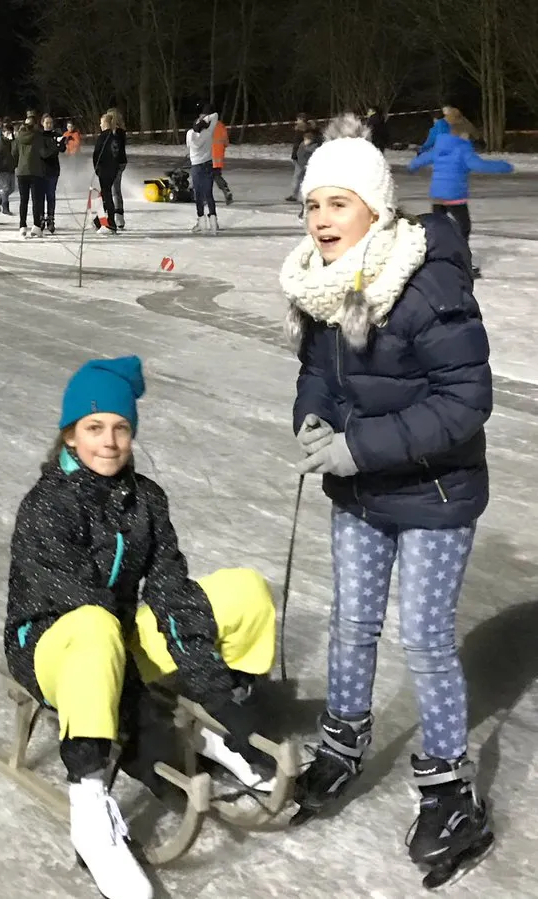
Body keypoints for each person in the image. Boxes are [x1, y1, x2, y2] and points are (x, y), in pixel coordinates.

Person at [282, 114, 494, 881]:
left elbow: (465, 399)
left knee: (426, 639)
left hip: (435, 493)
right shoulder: (321, 281)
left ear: (373, 207)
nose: (320, 220)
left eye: (336, 204)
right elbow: (317, 369)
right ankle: (340, 746)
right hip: (360, 489)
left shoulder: (423, 278)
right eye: (312, 205)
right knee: (351, 622)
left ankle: (448, 792)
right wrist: (310, 415)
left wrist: (357, 444)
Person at [6, 355, 279, 899]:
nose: (108, 441)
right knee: (93, 626)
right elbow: (81, 607)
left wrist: (219, 697)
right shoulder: (46, 506)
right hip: (52, 646)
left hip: (120, 634)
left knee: (242, 591)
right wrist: (144, 729)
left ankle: (218, 728)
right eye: (94, 427)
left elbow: (172, 590)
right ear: (70, 435)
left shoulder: (146, 499)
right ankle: (89, 813)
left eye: (120, 427)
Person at [407, 119, 512, 279]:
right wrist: (504, 166)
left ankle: (434, 260)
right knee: (464, 229)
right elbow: (481, 165)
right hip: (455, 196)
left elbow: (420, 160)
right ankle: (462, 263)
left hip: (438, 196)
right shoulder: (463, 150)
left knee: (439, 229)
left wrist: (412, 166)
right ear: (462, 134)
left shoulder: (439, 147)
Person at [186, 104, 220, 233]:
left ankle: (201, 221)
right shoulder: (209, 132)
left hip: (196, 166)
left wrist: (201, 120)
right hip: (207, 164)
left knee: (198, 195)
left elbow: (190, 146)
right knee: (209, 194)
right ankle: (214, 222)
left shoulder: (190, 134)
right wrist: (206, 119)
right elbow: (215, 116)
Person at [13, 111, 45, 239]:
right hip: (35, 171)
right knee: (36, 200)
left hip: (21, 172)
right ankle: (36, 226)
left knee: (23, 200)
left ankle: (22, 226)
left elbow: (14, 153)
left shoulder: (18, 137)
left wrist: (17, 164)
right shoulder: (38, 136)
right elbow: (43, 152)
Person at [91, 111, 125, 234]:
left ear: (105, 123)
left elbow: (97, 155)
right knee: (106, 195)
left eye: (101, 123)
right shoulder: (115, 137)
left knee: (106, 196)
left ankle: (110, 223)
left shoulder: (103, 137)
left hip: (105, 170)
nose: (100, 125)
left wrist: (97, 169)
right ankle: (99, 221)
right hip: (114, 170)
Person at [39, 113, 66, 234]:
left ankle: (50, 218)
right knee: (40, 196)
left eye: (50, 123)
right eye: (47, 123)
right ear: (42, 123)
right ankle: (40, 218)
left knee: (51, 195)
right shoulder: (39, 137)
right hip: (40, 170)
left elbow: (63, 149)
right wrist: (56, 146)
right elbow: (44, 153)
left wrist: (61, 142)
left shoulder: (56, 135)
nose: (49, 125)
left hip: (53, 170)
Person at [0, 121, 17, 217]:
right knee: (6, 188)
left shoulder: (13, 142)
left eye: (10, 132)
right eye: (7, 132)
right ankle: (5, 208)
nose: (9, 134)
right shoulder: (0, 143)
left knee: (11, 189)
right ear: (3, 133)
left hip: (11, 168)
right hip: (3, 169)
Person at [286, 113, 310, 202]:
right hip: (301, 155)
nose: (297, 121)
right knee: (303, 176)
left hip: (301, 156)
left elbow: (302, 145)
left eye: (298, 119)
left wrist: (297, 155)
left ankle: (295, 195)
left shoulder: (302, 131)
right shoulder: (303, 130)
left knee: (298, 176)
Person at [211, 114, 233, 205]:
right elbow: (226, 143)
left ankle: (204, 196)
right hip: (219, 156)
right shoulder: (221, 125)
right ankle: (225, 189)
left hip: (208, 155)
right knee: (216, 175)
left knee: (205, 176)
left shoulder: (207, 126)